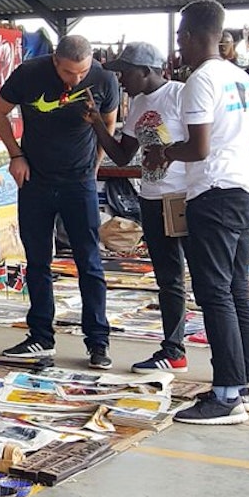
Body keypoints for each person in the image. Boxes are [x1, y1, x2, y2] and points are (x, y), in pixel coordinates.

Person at [147, 0, 249, 426]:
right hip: (248, 189)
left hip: (215, 195)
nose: (178, 44)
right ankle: (242, 386)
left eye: (180, 36)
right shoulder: (242, 78)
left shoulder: (200, 80)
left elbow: (197, 149)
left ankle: (226, 394)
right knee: (236, 290)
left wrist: (165, 152)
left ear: (195, 36)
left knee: (214, 292)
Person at [0, 35, 120, 369]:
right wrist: (15, 154)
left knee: (89, 262)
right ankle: (40, 336)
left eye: (82, 72)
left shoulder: (105, 79)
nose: (76, 80)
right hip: (36, 179)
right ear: (54, 61)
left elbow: (109, 122)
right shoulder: (28, 74)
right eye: (67, 73)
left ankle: (98, 341)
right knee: (37, 260)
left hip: (80, 181)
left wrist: (95, 165)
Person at [87, 42, 190, 373]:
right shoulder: (140, 103)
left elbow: (203, 143)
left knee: (202, 278)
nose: (121, 79)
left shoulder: (180, 95)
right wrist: (96, 124)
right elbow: (122, 155)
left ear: (147, 71)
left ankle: (223, 358)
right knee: (168, 277)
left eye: (126, 72)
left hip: (181, 197)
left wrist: (170, 154)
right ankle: (173, 350)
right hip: (151, 197)